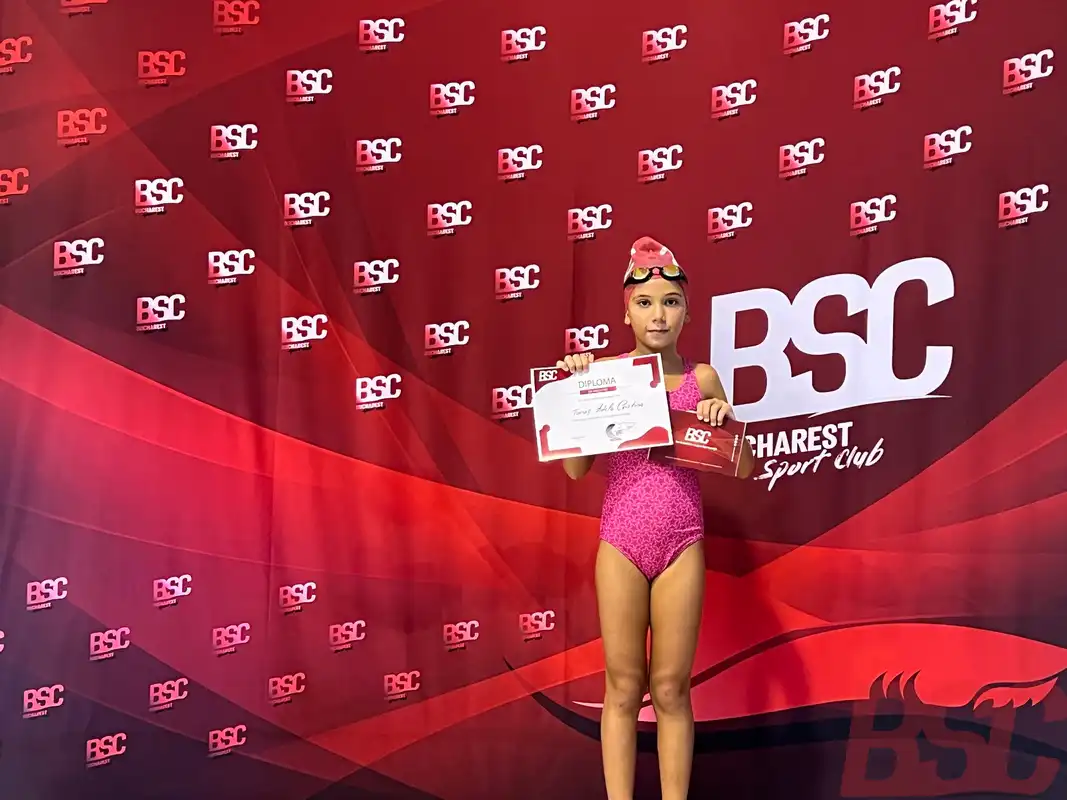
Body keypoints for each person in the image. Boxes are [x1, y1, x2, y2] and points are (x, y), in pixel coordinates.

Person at [555, 236, 754, 800]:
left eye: (670, 302)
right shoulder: (606, 375)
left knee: (670, 688)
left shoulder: (702, 378)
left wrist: (721, 420)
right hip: (620, 539)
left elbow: (744, 468)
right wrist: (575, 393)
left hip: (681, 542)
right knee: (622, 687)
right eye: (644, 303)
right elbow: (575, 470)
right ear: (626, 314)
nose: (658, 314)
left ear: (687, 311)